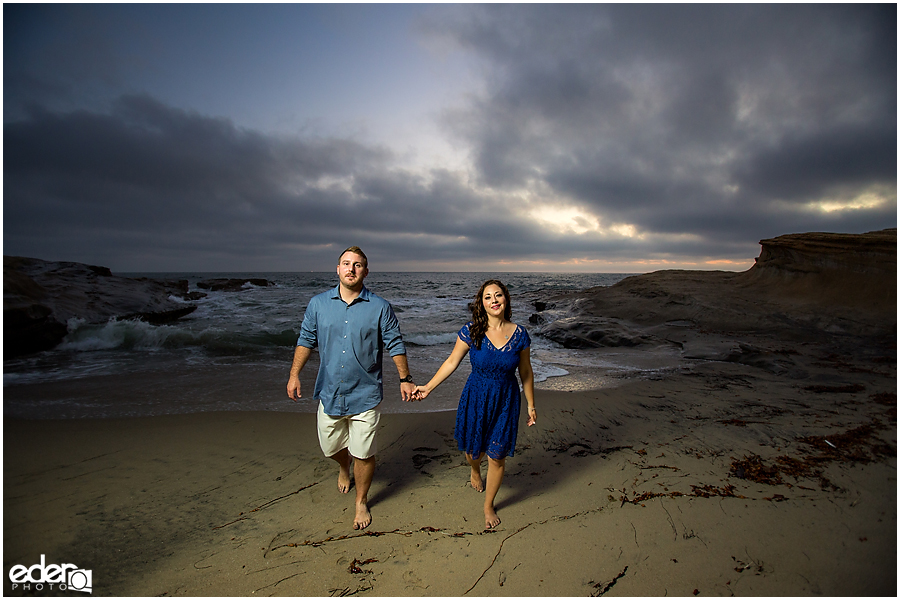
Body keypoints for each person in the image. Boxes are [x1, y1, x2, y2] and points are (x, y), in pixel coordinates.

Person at [286, 246, 417, 530]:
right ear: (337, 269)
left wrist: (405, 379)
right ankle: (343, 467)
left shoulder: (380, 307)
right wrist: (295, 374)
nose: (351, 269)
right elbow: (306, 340)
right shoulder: (318, 304)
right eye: (346, 263)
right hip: (330, 391)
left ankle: (361, 501)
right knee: (330, 446)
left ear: (366, 272)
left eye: (358, 265)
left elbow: (395, 343)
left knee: (364, 452)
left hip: (366, 392)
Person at [414, 279, 536, 529]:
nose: (494, 300)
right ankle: (474, 469)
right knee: (473, 452)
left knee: (497, 455)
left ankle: (488, 504)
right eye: (488, 297)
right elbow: (451, 362)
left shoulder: (520, 334)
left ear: (506, 299)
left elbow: (526, 372)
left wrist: (531, 405)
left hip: (506, 399)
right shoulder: (471, 331)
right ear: (482, 303)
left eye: (498, 295)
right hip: (477, 396)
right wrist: (427, 386)